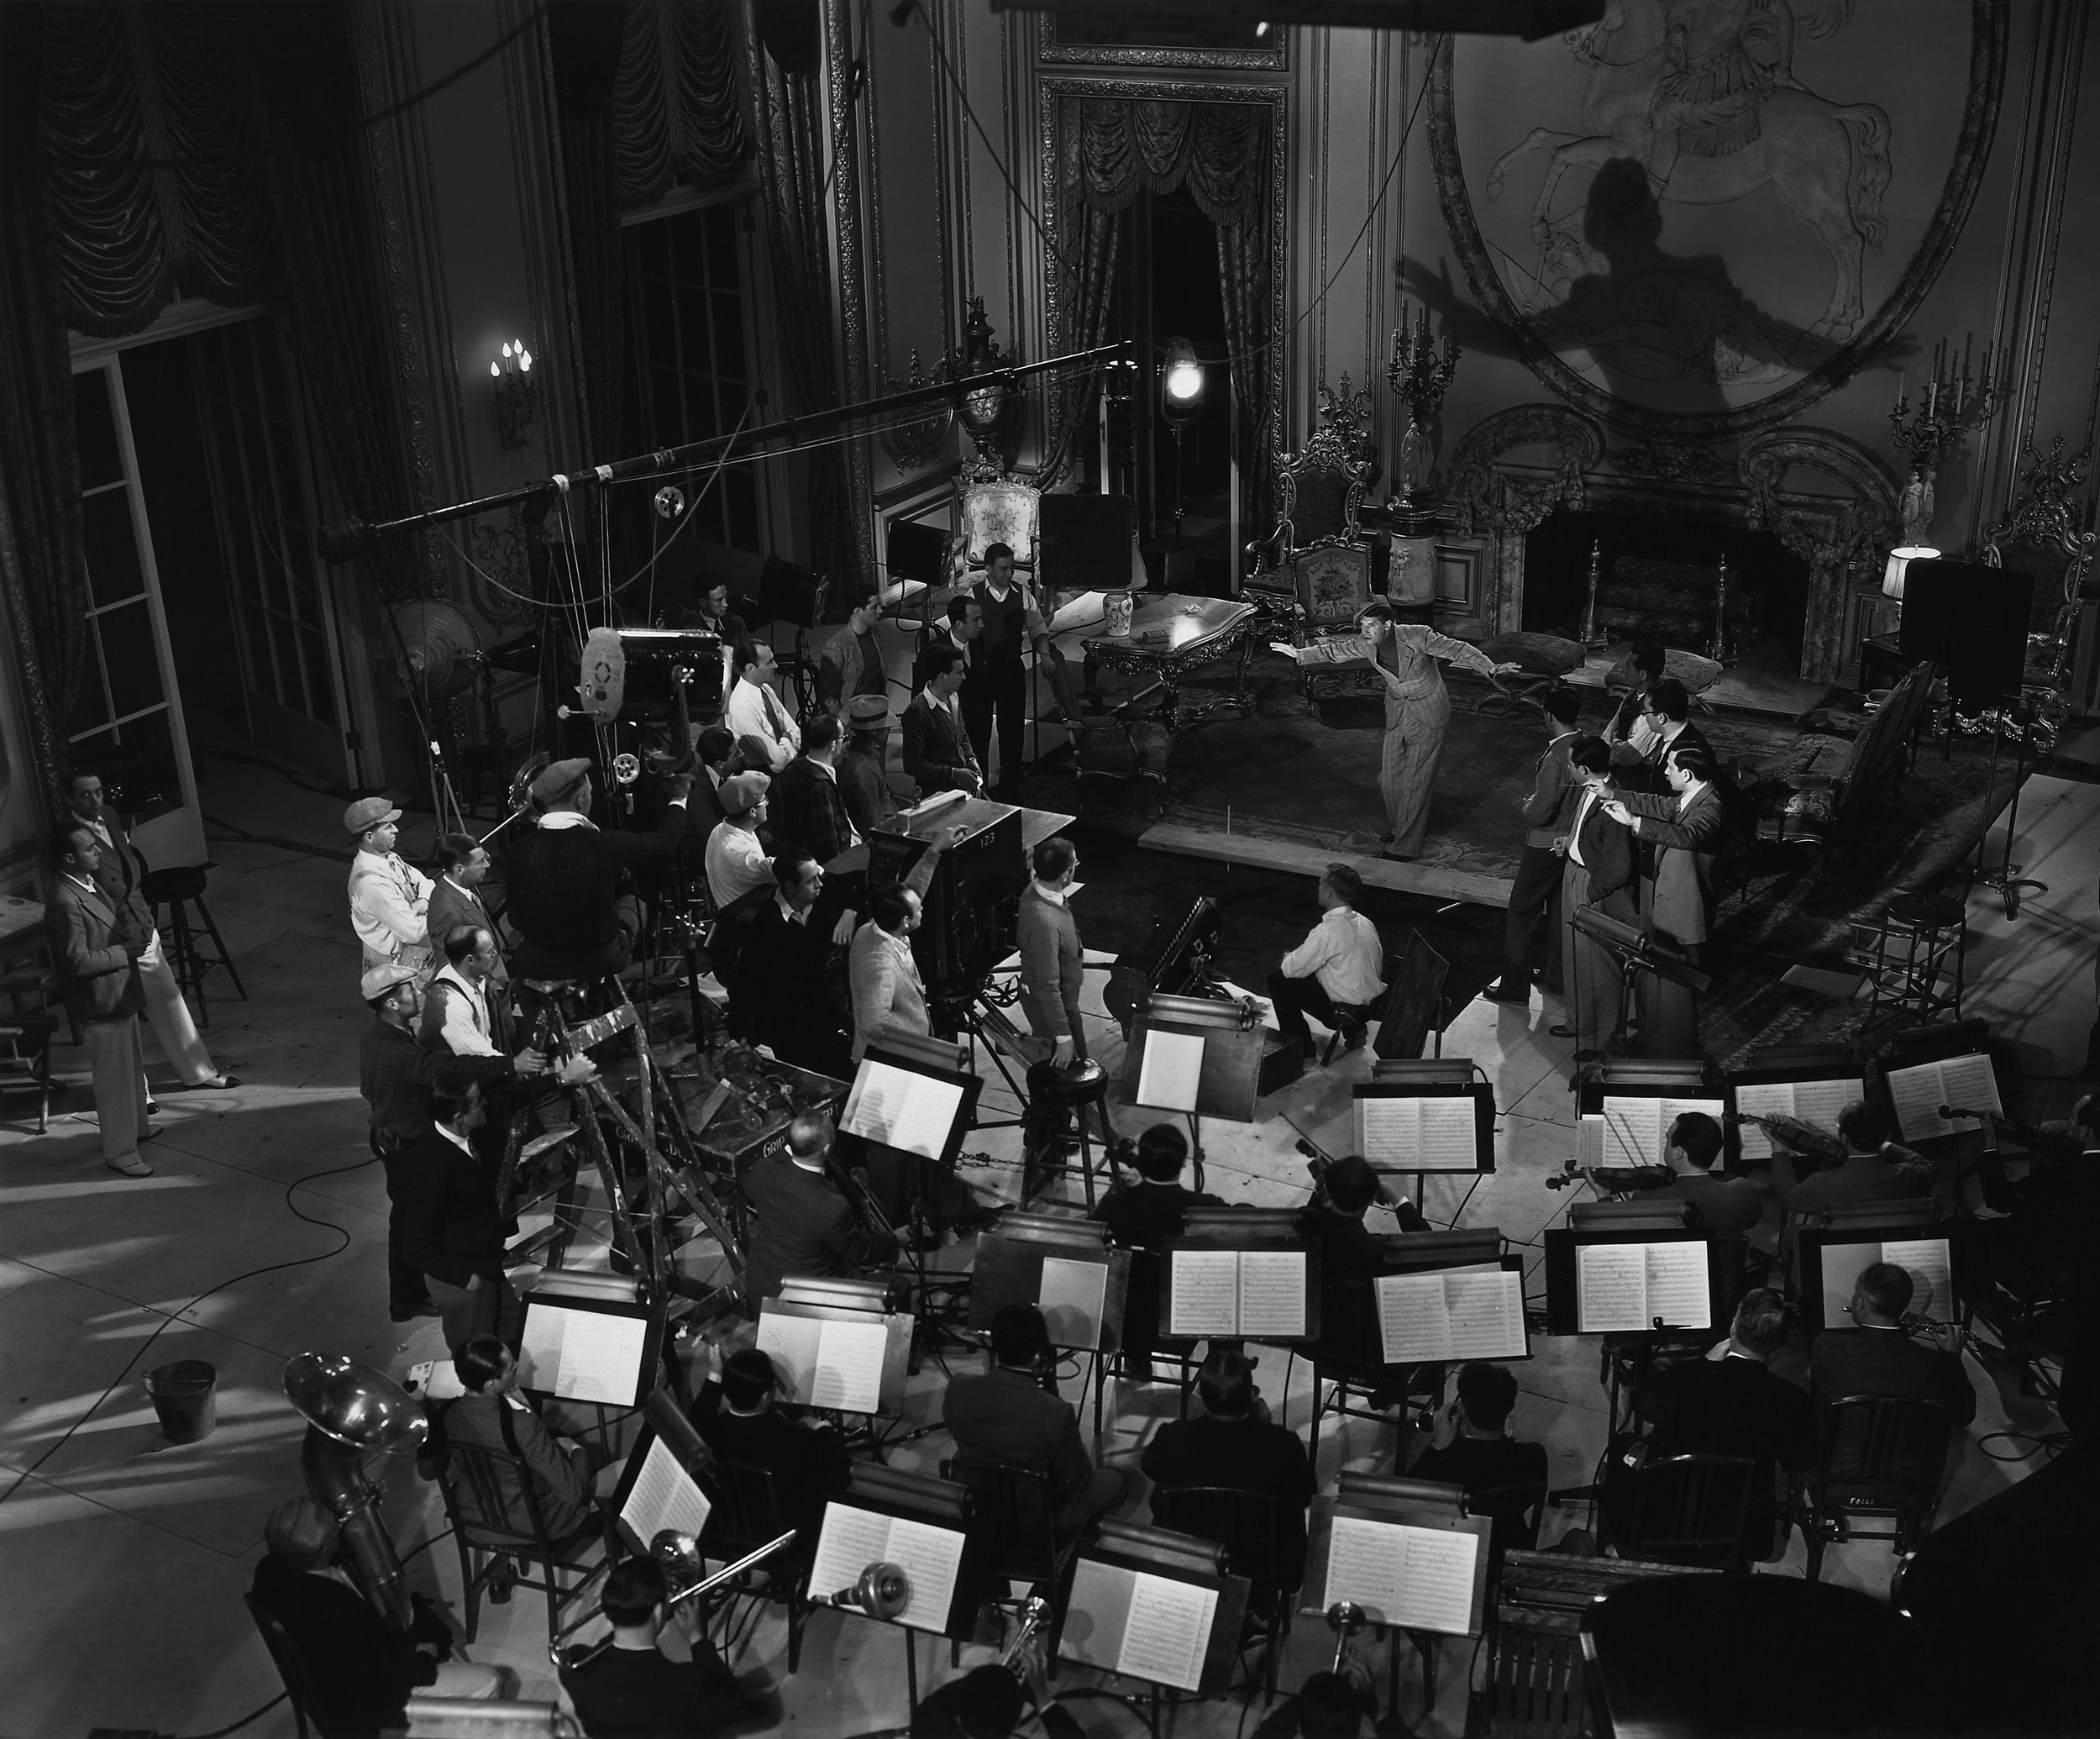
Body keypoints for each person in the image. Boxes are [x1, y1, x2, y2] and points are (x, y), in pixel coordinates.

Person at [360, 964, 547, 1322]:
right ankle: (414, 1296)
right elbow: (449, 1069)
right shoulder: (398, 1050)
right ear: (392, 1004)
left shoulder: (376, 1036)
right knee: (416, 1227)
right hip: (407, 1148)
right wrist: (510, 1064)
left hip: (393, 1138)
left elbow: (368, 1088)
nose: (418, 994)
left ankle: (407, 1297)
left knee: (407, 1222)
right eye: (409, 991)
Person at [1273, 598, 1519, 859]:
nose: (1364, 632)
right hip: (1398, 711)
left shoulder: (1418, 635)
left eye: (1370, 626)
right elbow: (1337, 650)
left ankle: (1405, 846)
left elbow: (1458, 650)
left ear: (1388, 625)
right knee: (1389, 780)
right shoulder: (1365, 644)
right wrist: (1300, 654)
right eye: (1362, 626)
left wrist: (1490, 668)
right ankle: (1401, 827)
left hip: (1429, 712)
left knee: (1416, 782)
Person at [249, 1495, 506, 1736]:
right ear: (324, 1547)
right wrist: (424, 1653)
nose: (340, 1527)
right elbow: (390, 1680)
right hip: (370, 1711)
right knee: (489, 1681)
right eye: (335, 1527)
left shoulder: (268, 1568)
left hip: (329, 1692)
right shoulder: (340, 1610)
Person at [63, 769, 237, 1094]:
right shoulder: (69, 836)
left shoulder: (111, 816)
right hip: (110, 936)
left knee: (169, 1000)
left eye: (98, 791)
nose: (95, 799)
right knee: (123, 1022)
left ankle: (198, 1071)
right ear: (69, 799)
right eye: (85, 794)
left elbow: (127, 870)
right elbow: (81, 894)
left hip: (140, 923)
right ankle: (137, 1097)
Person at [1619, 1289, 1814, 1560]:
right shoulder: (1789, 1397)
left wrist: (1705, 1362)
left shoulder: (1691, 1379)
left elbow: (1642, 1403)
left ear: (1733, 1327)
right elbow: (1799, 1461)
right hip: (1739, 1531)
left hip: (1667, 1519)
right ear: (1779, 1342)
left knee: (1623, 1449)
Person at [1142, 1349, 1317, 1595]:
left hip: (1192, 1553)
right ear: (1251, 1396)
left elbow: (1150, 1467)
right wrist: (1267, 1427)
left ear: (1202, 1394)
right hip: (1261, 1564)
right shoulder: (1283, 1444)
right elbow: (1306, 1494)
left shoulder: (1174, 1436)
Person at [504, 758, 692, 981]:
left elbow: (516, 920)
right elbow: (664, 842)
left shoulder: (517, 851)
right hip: (599, 960)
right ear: (581, 799)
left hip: (541, 964)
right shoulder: (602, 845)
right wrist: (679, 797)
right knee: (635, 903)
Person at [942, 1303, 1126, 1531]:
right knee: (1118, 1482)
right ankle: (1066, 1547)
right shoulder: (1056, 1413)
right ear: (1038, 1353)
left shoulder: (958, 1388)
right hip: (1033, 1520)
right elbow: (1078, 1479)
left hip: (977, 1505)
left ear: (993, 1343)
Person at [1600, 741, 1725, 1053]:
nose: (1664, 772)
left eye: (1669, 767)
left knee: (1678, 986)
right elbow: (1656, 804)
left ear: (1686, 773)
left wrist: (1633, 823)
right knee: (1657, 974)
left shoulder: (1711, 807)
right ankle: (1652, 1036)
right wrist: (1612, 793)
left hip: (1686, 908)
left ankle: (1674, 1051)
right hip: (1665, 898)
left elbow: (1688, 836)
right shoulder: (1689, 796)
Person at [559, 1556, 772, 1738]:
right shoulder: (687, 1683)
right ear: (659, 1613)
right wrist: (697, 1640)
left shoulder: (573, 1664)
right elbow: (734, 1704)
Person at [45, 821, 154, 1177]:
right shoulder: (65, 900)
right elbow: (76, 962)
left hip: (117, 995)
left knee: (130, 1071)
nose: (96, 852)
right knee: (113, 1082)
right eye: (89, 849)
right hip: (100, 1001)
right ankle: (120, 1152)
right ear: (68, 858)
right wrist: (125, 952)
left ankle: (137, 1129)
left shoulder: (86, 885)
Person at [398, 1079, 534, 1350]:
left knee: (521, 1333)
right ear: (460, 1117)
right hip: (463, 1282)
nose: (486, 1103)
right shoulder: (430, 1169)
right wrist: (468, 1281)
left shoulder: (466, 1126)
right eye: (478, 1101)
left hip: (487, 1266)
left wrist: (562, 1078)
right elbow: (414, 1248)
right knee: (477, 1355)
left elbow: (509, 1097)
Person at [1810, 1262, 1977, 1480]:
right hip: (1907, 1482)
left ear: (1861, 1302)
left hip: (1834, 1476)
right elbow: (1964, 1415)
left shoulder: (1827, 1346)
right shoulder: (1933, 1363)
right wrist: (1951, 1360)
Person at [428, 1334, 597, 1541]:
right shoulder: (523, 1425)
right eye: (511, 1368)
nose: (517, 1365)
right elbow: (573, 1493)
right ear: (491, 1384)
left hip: (475, 1520)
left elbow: (427, 1471)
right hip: (530, 1527)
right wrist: (578, 1452)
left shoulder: (443, 1415)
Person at [1091, 1124, 1223, 1380]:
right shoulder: (1206, 1208)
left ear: (1142, 1162)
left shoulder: (1117, 1202)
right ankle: (1222, 1373)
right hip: (1184, 1320)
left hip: (1128, 1320)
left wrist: (1125, 1192)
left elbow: (1090, 1235)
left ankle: (1137, 1361)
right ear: (1182, 1164)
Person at [686, 1345, 852, 1548]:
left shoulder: (707, 1432)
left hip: (726, 1529)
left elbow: (698, 1417)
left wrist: (715, 1373)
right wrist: (822, 1428)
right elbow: (841, 1466)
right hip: (780, 1538)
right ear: (766, 1396)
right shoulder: (796, 1437)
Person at [1483, 685, 1581, 1006]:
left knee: (1522, 910)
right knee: (1556, 909)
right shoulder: (1583, 746)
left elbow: (1540, 812)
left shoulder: (1554, 757)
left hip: (1544, 844)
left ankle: (1514, 987)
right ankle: (1555, 976)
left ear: (1548, 714)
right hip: (1569, 842)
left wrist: (1525, 806)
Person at [738, 1111, 900, 1306]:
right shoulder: (833, 1209)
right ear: (827, 1148)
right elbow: (861, 1252)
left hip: (764, 1283)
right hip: (808, 1291)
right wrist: (895, 1240)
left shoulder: (761, 1171)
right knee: (898, 1286)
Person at [720, 852, 853, 1076]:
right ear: (790, 886)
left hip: (824, 1016)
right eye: (811, 880)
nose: (819, 884)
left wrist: (850, 911)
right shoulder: (766, 927)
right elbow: (744, 988)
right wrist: (752, 1041)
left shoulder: (820, 895)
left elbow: (854, 884)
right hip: (789, 1029)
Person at [1405, 1363, 1550, 1563]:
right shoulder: (1534, 1456)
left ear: (1462, 1408)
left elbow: (1403, 1499)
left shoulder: (1442, 1463)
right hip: (1505, 1551)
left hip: (1449, 1551)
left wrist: (1438, 1446)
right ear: (1510, 1406)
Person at [1298, 1154, 1428, 1374]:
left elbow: (1311, 1216)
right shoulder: (1378, 1252)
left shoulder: (1302, 1227)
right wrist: (1399, 1200)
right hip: (1368, 1352)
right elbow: (1426, 1247)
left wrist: (1320, 1197)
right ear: (1371, 1199)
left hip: (1314, 1344)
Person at [1550, 735, 1636, 1059]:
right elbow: (1587, 830)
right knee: (1575, 955)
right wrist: (1569, 842)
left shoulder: (1615, 801)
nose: (1568, 769)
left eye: (1571, 765)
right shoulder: (1589, 789)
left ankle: (1603, 1040)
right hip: (1574, 872)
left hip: (1592, 886)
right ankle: (1580, 1022)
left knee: (1599, 967)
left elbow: (1619, 868)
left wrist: (1591, 892)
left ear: (1584, 769)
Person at [845, 828, 962, 1059]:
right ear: (905, 921)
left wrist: (935, 850)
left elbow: (911, 892)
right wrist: (923, 1047)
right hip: (892, 1061)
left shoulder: (873, 927)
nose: (923, 908)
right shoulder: (882, 966)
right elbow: (874, 1025)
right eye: (919, 910)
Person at [974, 542, 1078, 796]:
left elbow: (1038, 629)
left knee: (1011, 730)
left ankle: (1010, 784)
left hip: (1010, 669)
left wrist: (1044, 655)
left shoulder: (1022, 595)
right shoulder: (973, 597)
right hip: (982, 672)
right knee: (979, 731)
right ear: (988, 569)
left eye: (1011, 569)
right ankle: (980, 786)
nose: (1009, 574)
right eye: (1002, 569)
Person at [1268, 863, 1385, 1055]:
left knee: (1277, 979)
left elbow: (1291, 969)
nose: (1318, 889)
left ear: (1329, 894)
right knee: (1323, 969)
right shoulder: (1365, 921)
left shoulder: (1328, 930)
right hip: (1371, 1004)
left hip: (1344, 1010)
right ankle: (1353, 1029)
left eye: (1321, 885)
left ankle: (1300, 1048)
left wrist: (1287, 958)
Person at [911, 1632, 1079, 1739]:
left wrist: (983, 1685)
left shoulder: (926, 1730)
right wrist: (1042, 1696)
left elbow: (933, 1706)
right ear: (1017, 1722)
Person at [344, 796, 435, 978]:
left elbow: (427, 883)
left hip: (414, 954)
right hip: (396, 964)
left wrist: (422, 903)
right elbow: (414, 932)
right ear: (369, 837)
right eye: (387, 827)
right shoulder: (371, 884)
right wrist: (441, 913)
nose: (396, 830)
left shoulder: (388, 858)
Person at [1016, 835, 1086, 1064]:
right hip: (1055, 1007)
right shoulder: (1045, 925)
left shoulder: (1035, 891)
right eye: (1074, 864)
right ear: (1066, 875)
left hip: (1062, 1001)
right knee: (1067, 1071)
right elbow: (1048, 985)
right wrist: (1063, 1037)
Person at [1641, 1110, 1761, 1237]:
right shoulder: (1743, 1190)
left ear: (1678, 1152)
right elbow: (1751, 1222)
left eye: (1668, 1141)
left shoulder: (1646, 1198)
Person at [915, 591, 992, 768]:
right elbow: (920, 697)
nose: (981, 624)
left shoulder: (978, 642)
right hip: (950, 735)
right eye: (975, 620)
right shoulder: (933, 652)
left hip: (979, 728)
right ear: (959, 624)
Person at [770, 712, 859, 864]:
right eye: (842, 738)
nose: (843, 742)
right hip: (835, 864)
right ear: (832, 745)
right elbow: (827, 844)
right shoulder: (820, 788)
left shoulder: (794, 767)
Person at [901, 643, 985, 796]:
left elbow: (962, 734)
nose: (964, 677)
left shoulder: (953, 696)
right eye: (958, 673)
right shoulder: (918, 711)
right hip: (936, 794)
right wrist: (953, 773)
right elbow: (912, 765)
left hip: (961, 788)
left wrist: (971, 758)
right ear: (942, 677)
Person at [1609, 678, 1715, 794]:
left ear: (1661, 718)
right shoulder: (1672, 735)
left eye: (1645, 711)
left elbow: (1668, 802)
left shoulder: (1686, 752)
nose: (1643, 716)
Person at [426, 833, 506, 983]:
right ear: (460, 870)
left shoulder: (458, 889)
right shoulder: (447, 910)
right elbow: (455, 970)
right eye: (480, 862)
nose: (487, 865)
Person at [420, 924, 507, 1059]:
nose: (495, 954)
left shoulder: (471, 975)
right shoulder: (452, 1003)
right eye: (490, 952)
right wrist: (515, 1065)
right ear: (470, 960)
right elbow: (478, 1056)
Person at [722, 640, 801, 773]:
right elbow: (778, 762)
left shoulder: (765, 688)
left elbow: (795, 731)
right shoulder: (742, 708)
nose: (776, 665)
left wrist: (784, 744)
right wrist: (786, 739)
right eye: (770, 662)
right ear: (751, 669)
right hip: (762, 776)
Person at [702, 772, 774, 911]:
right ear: (753, 812)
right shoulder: (738, 851)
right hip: (744, 926)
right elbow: (778, 870)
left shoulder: (721, 829)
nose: (767, 805)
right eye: (765, 801)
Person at [816, 586, 890, 721]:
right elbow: (827, 697)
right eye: (874, 607)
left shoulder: (874, 632)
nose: (880, 611)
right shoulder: (837, 646)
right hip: (853, 718)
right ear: (858, 611)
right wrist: (844, 726)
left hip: (877, 711)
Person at [837, 695, 901, 838]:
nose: (889, 728)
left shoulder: (849, 751)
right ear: (873, 731)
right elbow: (872, 825)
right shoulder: (865, 770)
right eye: (885, 725)